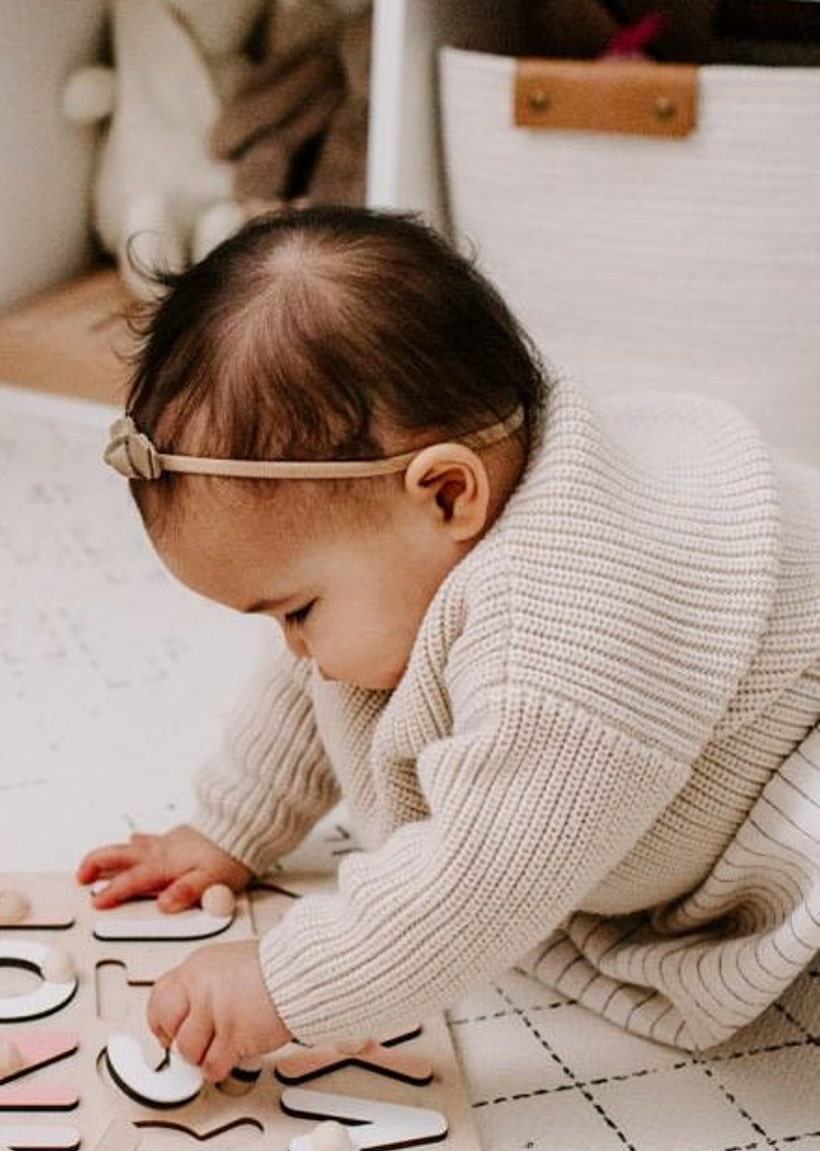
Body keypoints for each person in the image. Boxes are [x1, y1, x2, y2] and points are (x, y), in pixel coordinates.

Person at [79, 206, 820, 1083]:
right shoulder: (425, 548)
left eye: (299, 610)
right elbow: (314, 687)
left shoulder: (564, 642)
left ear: (445, 495)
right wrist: (230, 825)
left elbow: (477, 883)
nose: (298, 648)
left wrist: (280, 984)